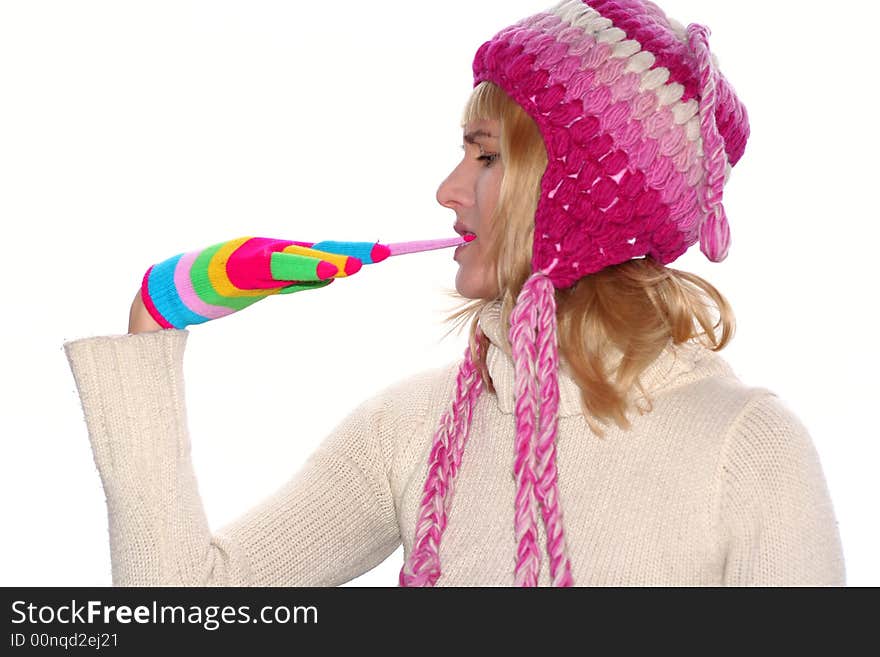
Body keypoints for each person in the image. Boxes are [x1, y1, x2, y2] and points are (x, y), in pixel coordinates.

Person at [63, 0, 846, 587]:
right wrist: (148, 337)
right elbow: (179, 611)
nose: (447, 190)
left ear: (578, 193)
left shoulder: (750, 452)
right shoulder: (409, 428)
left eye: (486, 157)